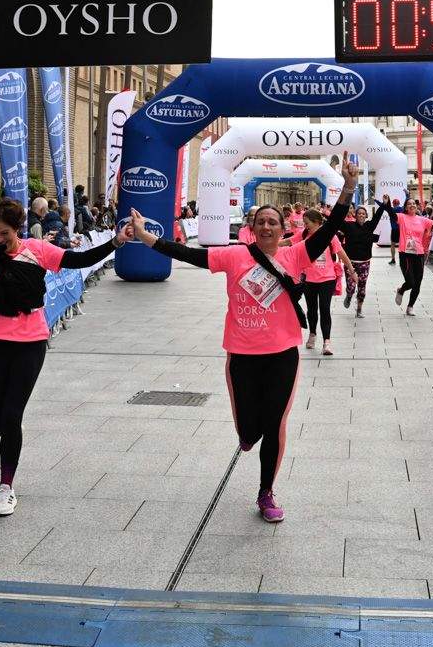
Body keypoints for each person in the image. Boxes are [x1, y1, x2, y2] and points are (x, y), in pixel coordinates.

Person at [130, 159, 361, 523]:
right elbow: (188, 254)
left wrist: (347, 188)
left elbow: (330, 227)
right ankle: (247, 433)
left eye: (274, 221)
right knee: (248, 428)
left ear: (285, 228)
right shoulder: (234, 256)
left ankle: (266, 491)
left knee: (276, 423)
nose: (267, 225)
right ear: (252, 228)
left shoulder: (295, 254)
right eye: (261, 221)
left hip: (283, 352)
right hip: (241, 354)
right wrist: (146, 237)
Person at [0, 150, 127, 516]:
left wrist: (115, 243)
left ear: (16, 229)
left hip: (30, 342)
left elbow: (78, 260)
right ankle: (5, 458)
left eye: (5, 233)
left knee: (12, 417)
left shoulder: (37, 250)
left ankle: (6, 486)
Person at [298, 208, 355, 356]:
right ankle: (312, 334)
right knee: (311, 309)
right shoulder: (303, 235)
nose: (305, 226)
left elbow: (341, 254)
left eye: (307, 223)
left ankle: (326, 342)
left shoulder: (330, 236)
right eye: (304, 223)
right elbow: (287, 242)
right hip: (308, 279)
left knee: (324, 309)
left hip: (327, 279)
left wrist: (351, 270)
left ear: (317, 222)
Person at [339, 200, 392, 317]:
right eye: (359, 213)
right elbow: (336, 220)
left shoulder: (369, 226)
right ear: (355, 215)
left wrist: (383, 204)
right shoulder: (348, 226)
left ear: (366, 216)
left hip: (364, 263)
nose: (361, 215)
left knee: (362, 287)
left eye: (363, 214)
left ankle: (359, 309)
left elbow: (377, 216)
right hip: (350, 263)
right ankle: (349, 295)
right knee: (351, 286)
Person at [393, 197, 433, 315]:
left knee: (417, 283)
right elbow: (391, 213)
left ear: (416, 206)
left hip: (419, 254)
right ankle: (401, 290)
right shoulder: (401, 217)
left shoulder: (422, 220)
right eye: (409, 204)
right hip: (405, 254)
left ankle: (410, 307)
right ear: (406, 207)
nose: (412, 205)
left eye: (413, 203)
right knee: (410, 282)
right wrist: (386, 205)